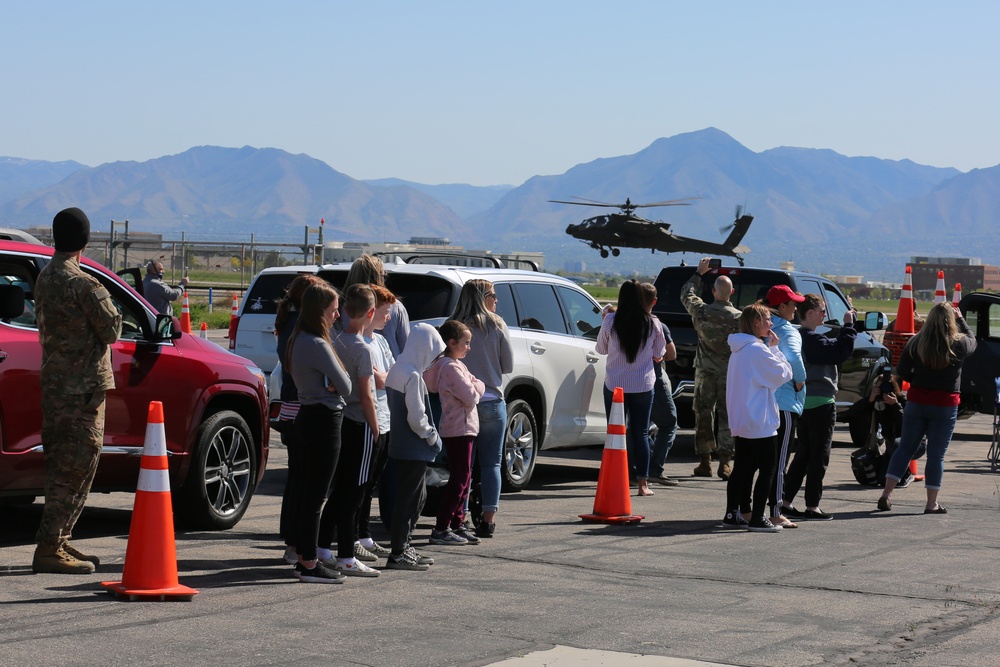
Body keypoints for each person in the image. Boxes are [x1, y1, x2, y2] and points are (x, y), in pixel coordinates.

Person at [32, 207, 123, 575]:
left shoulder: (45, 277)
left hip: (56, 387)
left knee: (62, 465)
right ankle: (50, 547)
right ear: (85, 240)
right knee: (76, 466)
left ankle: (59, 538)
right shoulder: (82, 283)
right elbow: (112, 329)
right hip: (81, 390)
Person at [877, 302, 975, 514]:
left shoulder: (916, 342)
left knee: (905, 448)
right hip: (945, 405)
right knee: (936, 455)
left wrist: (918, 381)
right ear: (951, 321)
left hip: (917, 402)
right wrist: (961, 319)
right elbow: (973, 341)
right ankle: (931, 503)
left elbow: (901, 370)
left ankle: (886, 493)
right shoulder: (958, 344)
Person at [285, 281, 353, 583]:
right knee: (315, 497)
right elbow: (347, 386)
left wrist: (333, 379)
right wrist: (335, 379)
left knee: (306, 494)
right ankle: (310, 563)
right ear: (320, 311)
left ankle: (303, 556)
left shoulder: (297, 337)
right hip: (325, 420)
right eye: (334, 310)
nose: (337, 316)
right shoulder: (317, 343)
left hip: (306, 416)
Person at [323, 284, 381, 577]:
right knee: (355, 492)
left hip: (338, 420)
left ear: (345, 310)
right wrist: (376, 425)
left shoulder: (334, 340)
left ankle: (323, 546)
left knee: (339, 488)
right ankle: (346, 553)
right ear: (371, 313)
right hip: (359, 421)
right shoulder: (363, 348)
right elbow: (366, 393)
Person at [781, 294, 856, 521]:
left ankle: (785, 500)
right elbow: (839, 352)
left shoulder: (797, 336)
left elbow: (831, 347)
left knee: (803, 454)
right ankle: (812, 505)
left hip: (803, 403)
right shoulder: (811, 339)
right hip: (821, 404)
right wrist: (849, 327)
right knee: (819, 455)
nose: (825, 315)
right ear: (810, 313)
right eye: (823, 311)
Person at [451, 279, 514, 538]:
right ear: (482, 297)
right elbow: (507, 365)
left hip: (461, 403)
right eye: (493, 296)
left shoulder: (454, 326)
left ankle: (461, 518)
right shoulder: (497, 325)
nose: (497, 301)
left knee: (463, 465)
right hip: (491, 400)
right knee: (492, 464)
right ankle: (488, 520)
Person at [722, 303, 792, 532]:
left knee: (742, 468)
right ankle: (758, 518)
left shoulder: (739, 348)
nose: (771, 324)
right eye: (767, 320)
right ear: (756, 323)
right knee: (768, 469)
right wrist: (775, 349)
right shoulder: (756, 349)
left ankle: (733, 512)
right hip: (759, 421)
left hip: (742, 418)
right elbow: (782, 374)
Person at [384, 322, 446, 570]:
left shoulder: (397, 369)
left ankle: (404, 546)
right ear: (424, 349)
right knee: (412, 499)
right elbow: (417, 418)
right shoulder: (412, 375)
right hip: (414, 447)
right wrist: (432, 436)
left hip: (399, 444)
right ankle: (399, 550)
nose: (432, 361)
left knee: (413, 497)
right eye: (433, 354)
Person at [596, 280, 667, 497]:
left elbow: (600, 349)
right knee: (641, 433)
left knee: (615, 433)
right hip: (643, 385)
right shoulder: (653, 322)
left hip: (615, 385)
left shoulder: (611, 320)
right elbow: (659, 353)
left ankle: (615, 480)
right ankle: (642, 484)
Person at [274, 274, 326, 565]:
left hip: (289, 406)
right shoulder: (301, 328)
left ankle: (291, 541)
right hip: (301, 405)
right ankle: (295, 543)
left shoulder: (287, 322)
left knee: (297, 478)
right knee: (305, 480)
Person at [425, 319, 486, 545]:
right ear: (451, 343)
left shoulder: (453, 364)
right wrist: (476, 387)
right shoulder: (450, 367)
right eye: (466, 343)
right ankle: (442, 527)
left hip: (462, 427)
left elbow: (475, 384)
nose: (469, 347)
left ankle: (457, 524)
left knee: (465, 478)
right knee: (459, 479)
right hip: (458, 428)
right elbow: (472, 394)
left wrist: (475, 386)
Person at [682, 257, 741, 479]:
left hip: (705, 372)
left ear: (714, 292)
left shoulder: (702, 312)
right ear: (732, 292)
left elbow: (686, 295)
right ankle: (725, 463)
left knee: (704, 415)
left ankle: (704, 461)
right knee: (727, 417)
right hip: (730, 374)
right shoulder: (739, 318)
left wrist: (699, 273)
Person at [354, 284, 397, 561]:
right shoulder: (361, 345)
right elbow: (378, 381)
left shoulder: (380, 341)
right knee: (360, 482)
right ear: (372, 311)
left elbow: (393, 375)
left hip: (386, 418)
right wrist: (385, 377)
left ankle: (365, 535)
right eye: (386, 311)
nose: (389, 317)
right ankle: (354, 536)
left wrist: (386, 377)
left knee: (372, 484)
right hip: (370, 422)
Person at [762, 286, 807, 529]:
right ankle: (776, 511)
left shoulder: (760, 327)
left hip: (761, 403)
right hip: (785, 403)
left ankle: (743, 509)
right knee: (779, 463)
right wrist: (800, 381)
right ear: (781, 307)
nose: (796, 308)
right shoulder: (788, 331)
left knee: (756, 461)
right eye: (793, 304)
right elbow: (794, 357)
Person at [638, 282, 679, 486]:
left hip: (626, 380)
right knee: (669, 423)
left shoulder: (622, 322)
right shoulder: (657, 325)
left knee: (637, 427)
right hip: (653, 378)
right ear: (654, 301)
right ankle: (655, 468)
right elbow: (670, 354)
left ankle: (635, 467)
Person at [341, 254, 409, 358]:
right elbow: (405, 347)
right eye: (383, 275)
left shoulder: (342, 307)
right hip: (390, 369)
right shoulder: (395, 306)